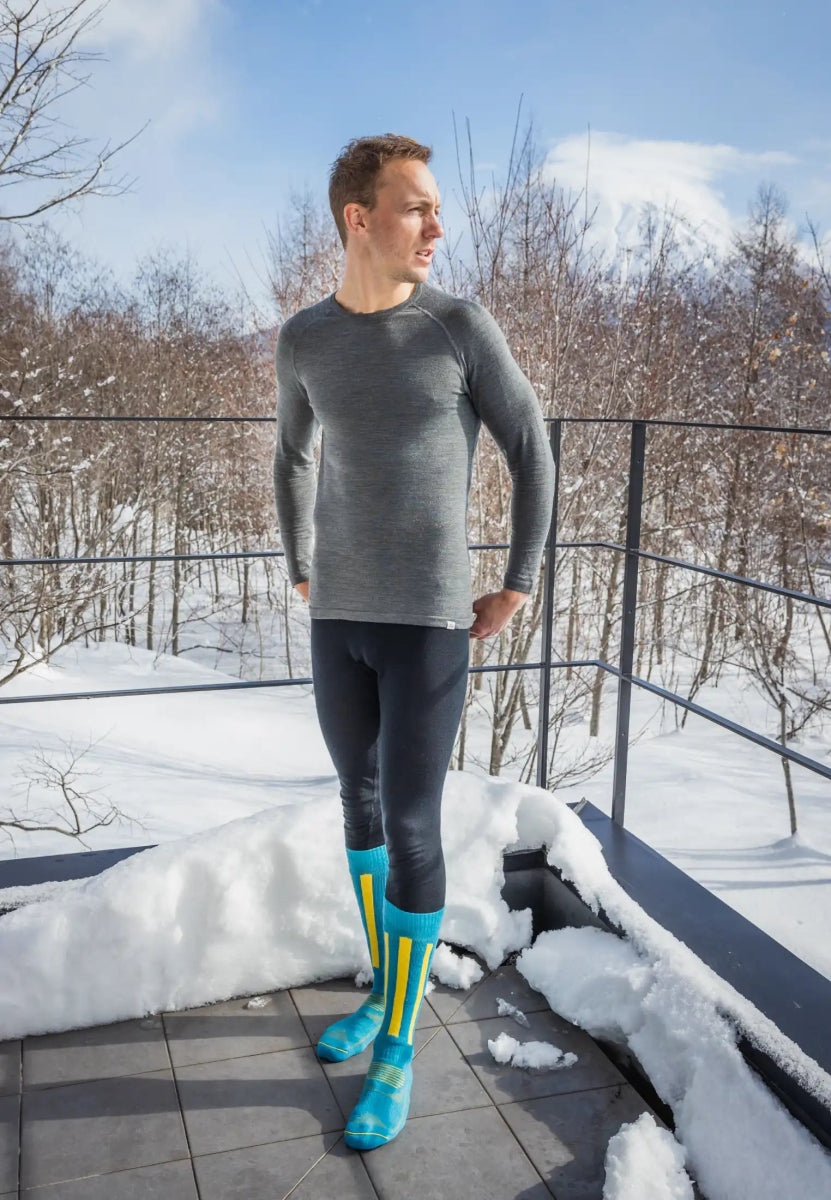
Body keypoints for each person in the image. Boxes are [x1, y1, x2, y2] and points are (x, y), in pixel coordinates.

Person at [272, 133, 556, 1151]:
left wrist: (516, 583)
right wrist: (301, 565)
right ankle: (383, 989)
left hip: (429, 624)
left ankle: (395, 1046)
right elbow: (291, 454)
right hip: (337, 620)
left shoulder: (458, 327)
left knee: (412, 824)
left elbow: (532, 450)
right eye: (417, 206)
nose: (438, 224)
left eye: (437, 208)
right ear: (360, 218)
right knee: (356, 807)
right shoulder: (305, 338)